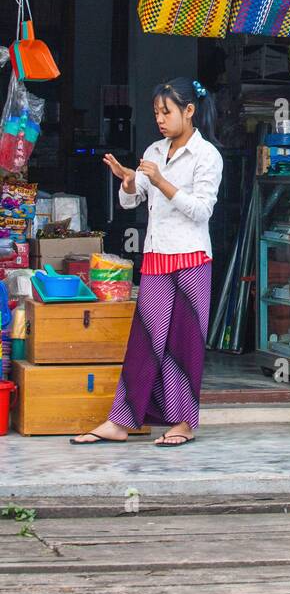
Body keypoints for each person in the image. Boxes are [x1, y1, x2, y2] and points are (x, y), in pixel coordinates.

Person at [71, 77, 223, 448]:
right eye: (156, 112)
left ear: (189, 111)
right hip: (156, 255)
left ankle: (183, 422)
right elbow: (131, 200)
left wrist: (163, 183)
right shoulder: (154, 151)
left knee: (183, 343)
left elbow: (201, 210)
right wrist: (126, 182)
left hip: (191, 258)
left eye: (166, 112)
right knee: (145, 340)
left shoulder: (207, 156)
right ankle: (120, 421)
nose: (160, 118)